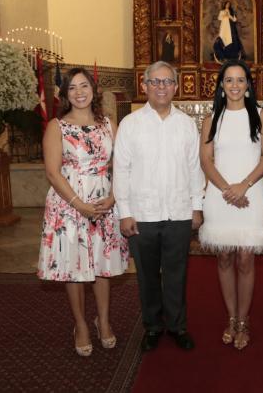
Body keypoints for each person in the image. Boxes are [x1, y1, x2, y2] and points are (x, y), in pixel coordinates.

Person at [37, 67, 129, 357]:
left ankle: (103, 320)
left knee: (102, 266)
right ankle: (80, 325)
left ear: (93, 90)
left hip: (103, 205)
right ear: (64, 94)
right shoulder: (57, 126)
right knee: (75, 268)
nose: (79, 92)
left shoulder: (109, 124)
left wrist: (114, 197)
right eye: (72, 88)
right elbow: (53, 173)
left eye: (84, 86)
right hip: (69, 206)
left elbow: (123, 166)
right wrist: (80, 205)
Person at [113, 61, 205, 352]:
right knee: (147, 275)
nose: (161, 87)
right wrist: (124, 212)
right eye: (155, 81)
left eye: (167, 82)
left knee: (177, 273)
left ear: (176, 87)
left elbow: (195, 169)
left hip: (178, 212)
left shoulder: (187, 124)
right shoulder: (131, 124)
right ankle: (153, 326)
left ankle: (177, 326)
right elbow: (121, 170)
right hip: (143, 214)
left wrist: (197, 206)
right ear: (145, 85)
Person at [199, 59, 263, 350]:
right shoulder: (211, 120)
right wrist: (227, 189)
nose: (234, 85)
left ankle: (243, 320)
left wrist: (243, 185)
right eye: (228, 80)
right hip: (219, 196)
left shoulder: (260, 115)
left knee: (245, 258)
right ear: (221, 85)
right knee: (224, 257)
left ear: (247, 85)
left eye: (240, 80)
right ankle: (231, 317)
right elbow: (206, 160)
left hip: (251, 194)